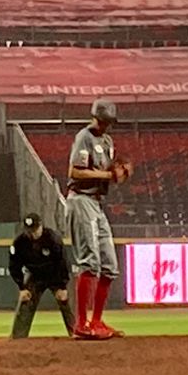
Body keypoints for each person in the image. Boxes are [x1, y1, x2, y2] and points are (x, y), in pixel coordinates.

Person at [66, 98, 130, 339]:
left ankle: (97, 321)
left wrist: (120, 171)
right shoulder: (84, 136)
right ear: (95, 118)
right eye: (104, 121)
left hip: (96, 203)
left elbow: (110, 171)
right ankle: (81, 324)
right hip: (80, 200)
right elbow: (74, 171)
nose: (106, 126)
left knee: (110, 267)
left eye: (109, 123)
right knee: (89, 263)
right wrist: (107, 174)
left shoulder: (107, 140)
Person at [9, 212, 75, 339]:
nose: (32, 234)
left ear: (41, 226)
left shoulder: (52, 238)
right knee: (26, 301)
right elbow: (14, 266)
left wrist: (63, 286)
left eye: (35, 230)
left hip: (55, 275)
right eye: (29, 231)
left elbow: (62, 263)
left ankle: (77, 332)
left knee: (66, 302)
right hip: (35, 275)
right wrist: (22, 287)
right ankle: (18, 338)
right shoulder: (20, 242)